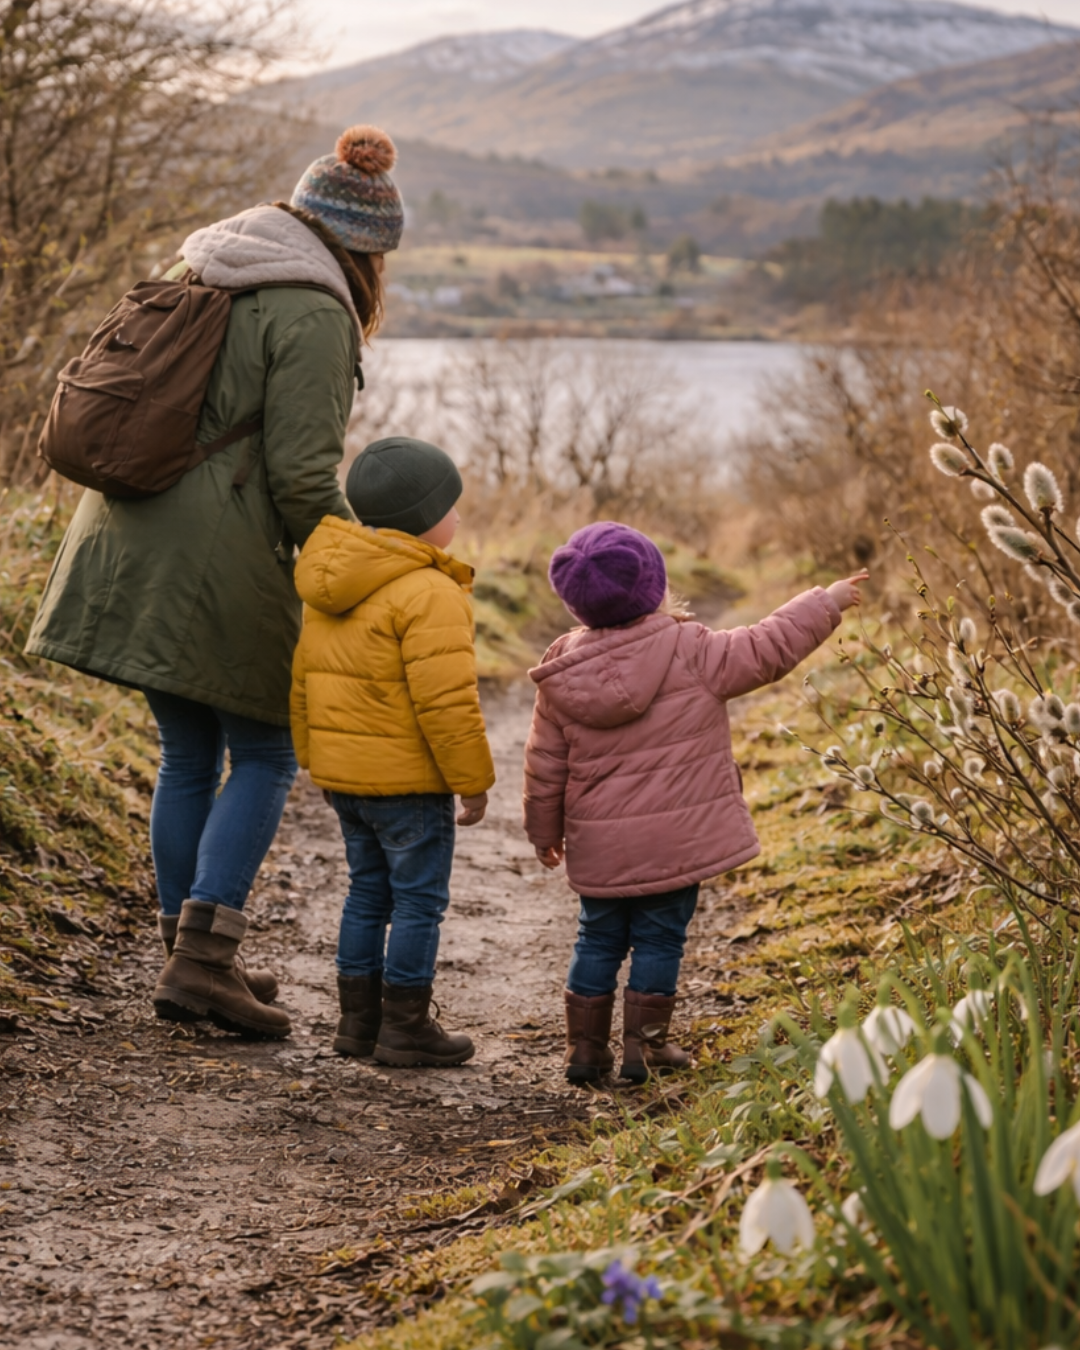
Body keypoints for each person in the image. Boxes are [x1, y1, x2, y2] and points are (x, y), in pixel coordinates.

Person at [24, 125, 406, 1038]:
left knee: (189, 752)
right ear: (365, 250)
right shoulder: (314, 310)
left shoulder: (209, 265)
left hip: (131, 528)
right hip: (216, 555)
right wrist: (378, 572)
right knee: (268, 751)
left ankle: (188, 951)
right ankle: (202, 961)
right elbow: (305, 481)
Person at [522, 521, 867, 1084]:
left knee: (597, 935)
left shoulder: (562, 668)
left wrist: (543, 830)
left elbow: (544, 764)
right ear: (654, 586)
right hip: (676, 842)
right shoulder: (692, 648)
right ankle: (646, 1048)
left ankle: (584, 1050)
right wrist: (824, 602)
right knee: (660, 936)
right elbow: (768, 646)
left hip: (600, 845)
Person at [290, 436, 495, 1067]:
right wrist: (473, 780)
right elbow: (447, 702)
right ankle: (405, 1027)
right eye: (452, 505)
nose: (459, 516)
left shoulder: (332, 583)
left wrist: (314, 762)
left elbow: (303, 683)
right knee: (417, 902)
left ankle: (357, 1024)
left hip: (347, 781)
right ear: (425, 516)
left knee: (366, 894)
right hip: (409, 786)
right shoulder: (428, 591)